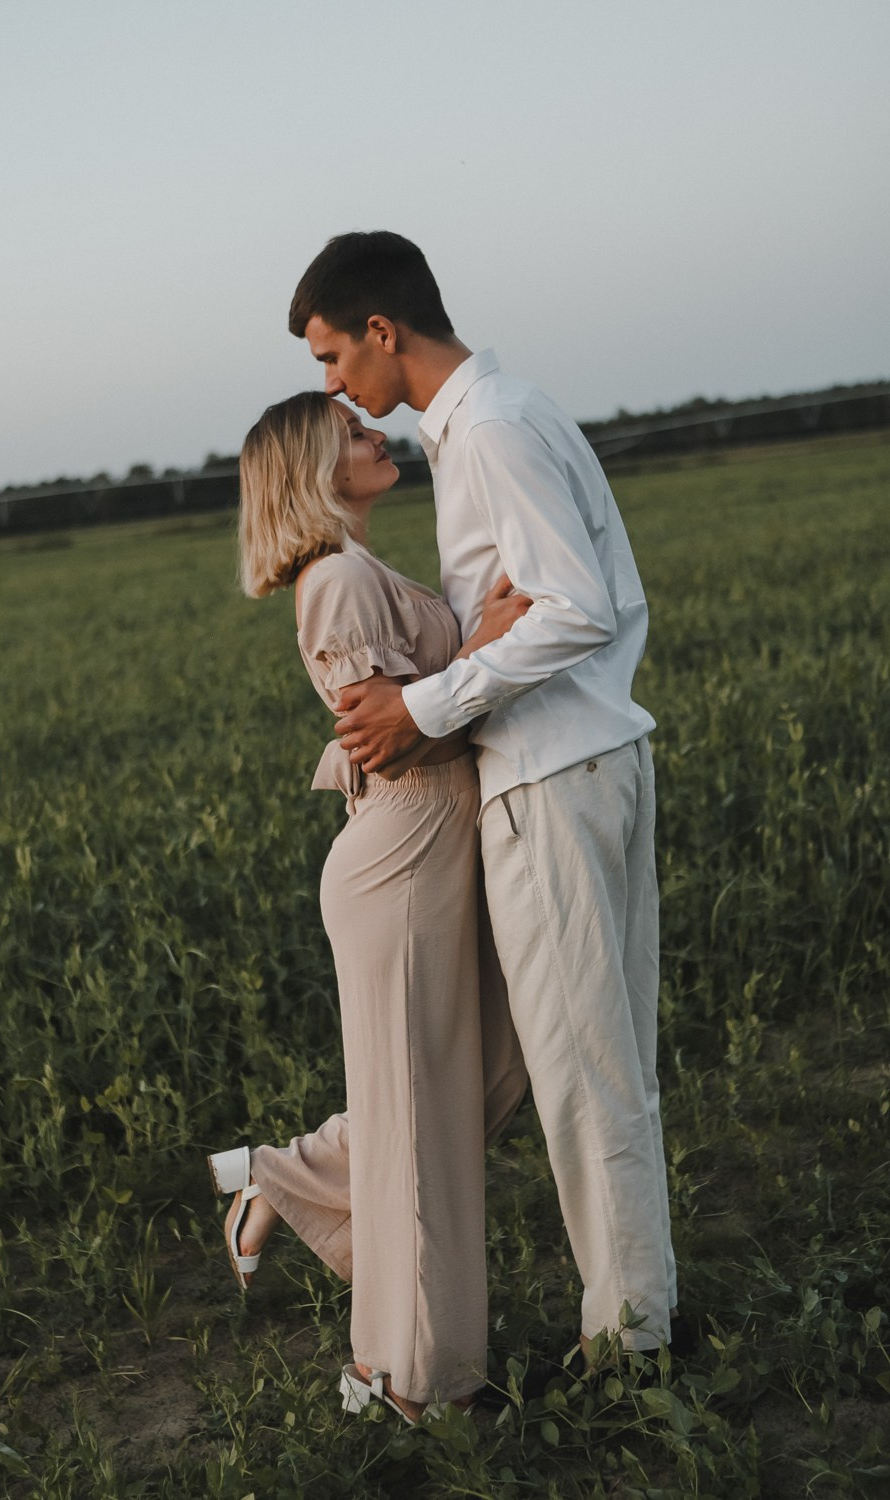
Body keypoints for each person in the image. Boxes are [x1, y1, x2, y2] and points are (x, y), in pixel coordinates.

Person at [288, 231, 680, 1367]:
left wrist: (426, 705)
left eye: (332, 357)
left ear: (382, 330)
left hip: (551, 775)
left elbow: (575, 608)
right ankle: (644, 1320)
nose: (333, 386)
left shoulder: (494, 429)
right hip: (586, 761)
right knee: (605, 1066)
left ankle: (630, 1349)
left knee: (583, 1078)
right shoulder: (499, 417)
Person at [208, 391, 528, 1422]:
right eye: (351, 431)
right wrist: (488, 647)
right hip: (401, 854)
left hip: (430, 849)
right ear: (312, 465)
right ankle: (413, 1383)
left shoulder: (357, 566)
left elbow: (411, 709)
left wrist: (478, 650)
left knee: (483, 1076)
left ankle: (283, 1179)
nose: (376, 434)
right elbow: (395, 739)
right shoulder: (338, 581)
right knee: (424, 1120)